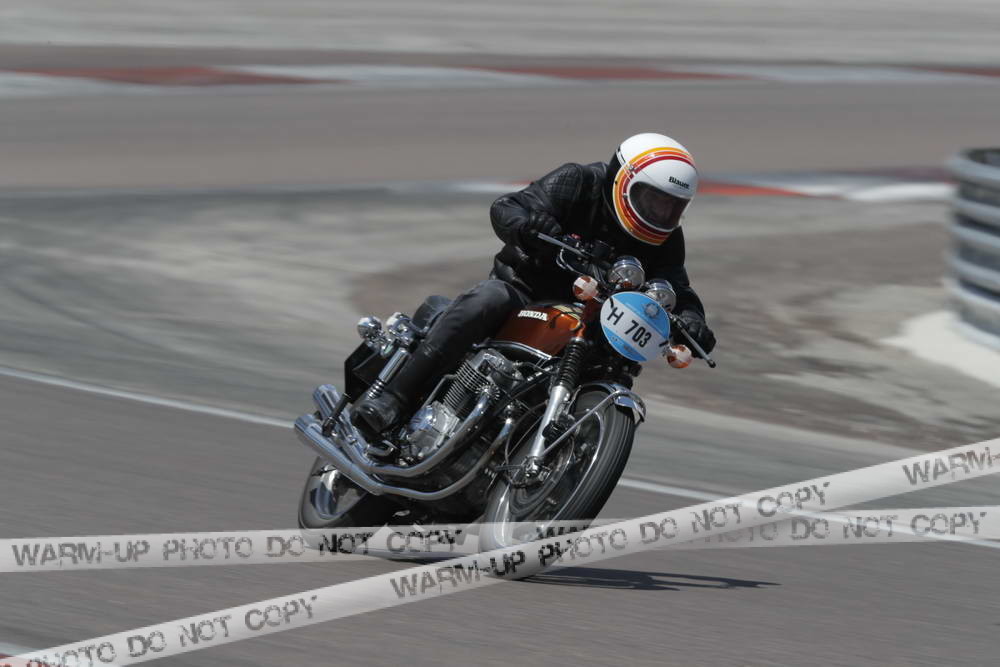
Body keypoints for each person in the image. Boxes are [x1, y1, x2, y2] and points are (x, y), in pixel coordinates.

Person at [353, 132, 716, 433]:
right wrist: (530, 225)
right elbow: (508, 206)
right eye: (653, 200)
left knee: (613, 364)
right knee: (487, 299)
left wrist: (693, 321)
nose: (662, 214)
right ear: (624, 182)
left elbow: (677, 286)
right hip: (524, 291)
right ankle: (393, 398)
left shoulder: (667, 239)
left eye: (672, 207)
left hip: (591, 320)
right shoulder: (578, 182)